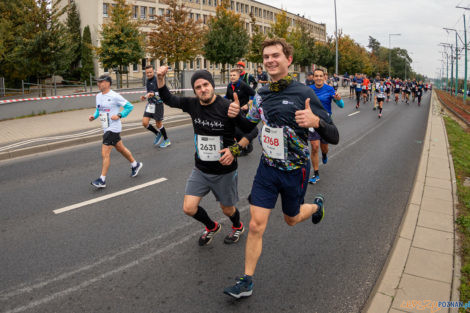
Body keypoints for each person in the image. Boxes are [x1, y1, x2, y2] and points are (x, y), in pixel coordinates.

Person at [223, 38, 339, 299]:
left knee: (291, 218)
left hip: (295, 171)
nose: (270, 60)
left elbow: (334, 135)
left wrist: (316, 121)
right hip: (267, 169)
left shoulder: (304, 94)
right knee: (255, 225)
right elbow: (250, 124)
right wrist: (234, 114)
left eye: (275, 55)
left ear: (289, 60)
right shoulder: (261, 94)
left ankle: (316, 206)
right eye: (266, 57)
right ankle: (247, 280)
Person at [156, 66, 247, 246]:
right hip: (201, 169)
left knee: (227, 209)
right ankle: (212, 226)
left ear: (212, 85)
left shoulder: (227, 107)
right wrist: (160, 78)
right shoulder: (192, 104)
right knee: (188, 208)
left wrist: (235, 150)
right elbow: (168, 98)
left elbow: (250, 133)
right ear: (194, 90)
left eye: (206, 84)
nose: (203, 89)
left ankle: (238, 226)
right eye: (198, 87)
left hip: (224, 171)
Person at [89, 75, 143, 188]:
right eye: (97, 82)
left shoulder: (114, 96)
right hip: (106, 127)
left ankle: (102, 180)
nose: (98, 84)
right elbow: (99, 109)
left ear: (108, 83)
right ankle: (135, 164)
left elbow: (129, 106)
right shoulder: (98, 96)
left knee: (105, 153)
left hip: (113, 128)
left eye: (101, 82)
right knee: (120, 148)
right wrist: (94, 116)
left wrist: (119, 115)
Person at [307, 68, 344, 184]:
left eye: (320, 76)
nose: (318, 78)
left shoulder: (329, 89)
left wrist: (338, 99)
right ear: (313, 77)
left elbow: (341, 105)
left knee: (324, 148)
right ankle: (316, 174)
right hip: (313, 121)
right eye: (316, 76)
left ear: (324, 77)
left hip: (325, 122)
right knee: (314, 147)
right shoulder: (308, 90)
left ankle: (324, 154)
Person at [226, 68, 258, 156]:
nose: (232, 77)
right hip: (235, 110)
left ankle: (246, 145)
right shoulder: (229, 86)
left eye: (234, 75)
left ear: (238, 76)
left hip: (244, 110)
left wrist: (248, 104)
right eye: (231, 75)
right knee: (235, 129)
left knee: (242, 129)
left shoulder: (243, 85)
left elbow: (253, 94)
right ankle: (245, 145)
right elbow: (227, 96)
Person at [141, 65, 171, 147]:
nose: (149, 74)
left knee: (158, 124)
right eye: (147, 73)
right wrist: (145, 96)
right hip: (150, 104)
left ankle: (166, 140)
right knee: (144, 122)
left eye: (150, 72)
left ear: (153, 71)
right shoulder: (147, 81)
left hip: (158, 104)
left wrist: (153, 94)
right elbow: (149, 92)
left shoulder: (157, 79)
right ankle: (158, 134)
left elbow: (160, 94)